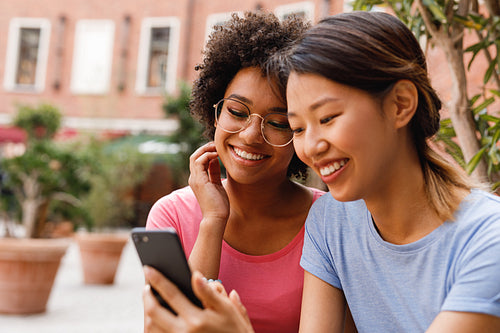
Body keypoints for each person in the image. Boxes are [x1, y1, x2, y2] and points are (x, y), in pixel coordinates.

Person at [144, 10, 500, 332]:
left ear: (400, 105)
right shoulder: (331, 223)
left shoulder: (488, 238)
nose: (311, 146)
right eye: (298, 128)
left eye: (327, 118)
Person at [144, 11, 325, 333]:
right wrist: (213, 221)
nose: (251, 135)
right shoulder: (171, 215)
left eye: (278, 122)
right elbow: (168, 328)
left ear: (300, 131)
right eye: (237, 112)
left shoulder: (330, 220)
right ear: (215, 112)